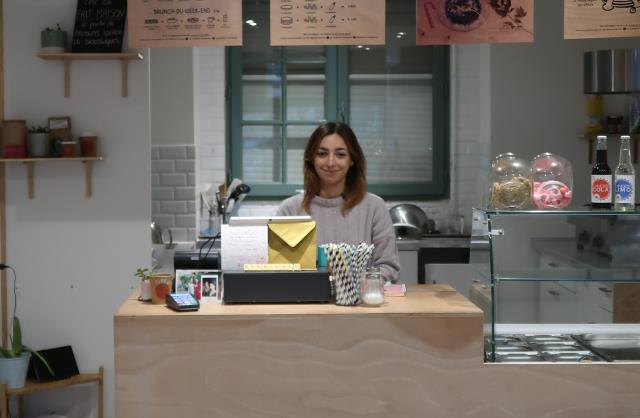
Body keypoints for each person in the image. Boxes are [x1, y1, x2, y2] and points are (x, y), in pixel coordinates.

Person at [276, 122, 400, 282]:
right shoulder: (290, 210)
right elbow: (281, 270)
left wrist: (363, 283)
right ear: (311, 159)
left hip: (360, 304)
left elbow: (388, 266)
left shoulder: (374, 207)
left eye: (340, 154)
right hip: (306, 303)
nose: (330, 163)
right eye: (322, 154)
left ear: (352, 160)